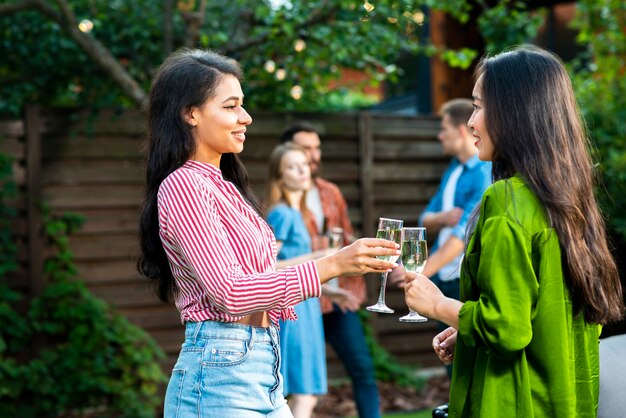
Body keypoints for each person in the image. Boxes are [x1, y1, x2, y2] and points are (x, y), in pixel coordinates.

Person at [136, 48, 400, 418]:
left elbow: (260, 279)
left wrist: (340, 262)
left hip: (263, 362)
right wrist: (333, 265)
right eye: (230, 107)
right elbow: (231, 294)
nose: (246, 117)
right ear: (190, 113)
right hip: (219, 374)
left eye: (242, 105)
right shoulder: (185, 186)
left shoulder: (226, 187)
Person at [402, 44, 624, 417]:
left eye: (479, 106)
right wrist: (470, 331)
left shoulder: (506, 200)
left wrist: (439, 304)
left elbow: (506, 328)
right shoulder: (571, 202)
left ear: (516, 113)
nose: (472, 122)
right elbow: (556, 318)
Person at [281, 123, 381, 418]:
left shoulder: (330, 192)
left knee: (362, 367)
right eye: (304, 148)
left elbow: (347, 239)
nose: (313, 155)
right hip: (301, 301)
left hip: (335, 297)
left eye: (316, 147)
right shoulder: (282, 204)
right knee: (296, 383)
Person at [265, 143, 328, 418]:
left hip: (307, 306)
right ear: (280, 176)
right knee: (303, 393)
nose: (302, 171)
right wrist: (322, 256)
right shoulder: (281, 214)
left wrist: (334, 294)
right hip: (294, 310)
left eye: (304, 164)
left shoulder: (298, 213)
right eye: (292, 166)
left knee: (304, 392)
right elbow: (268, 267)